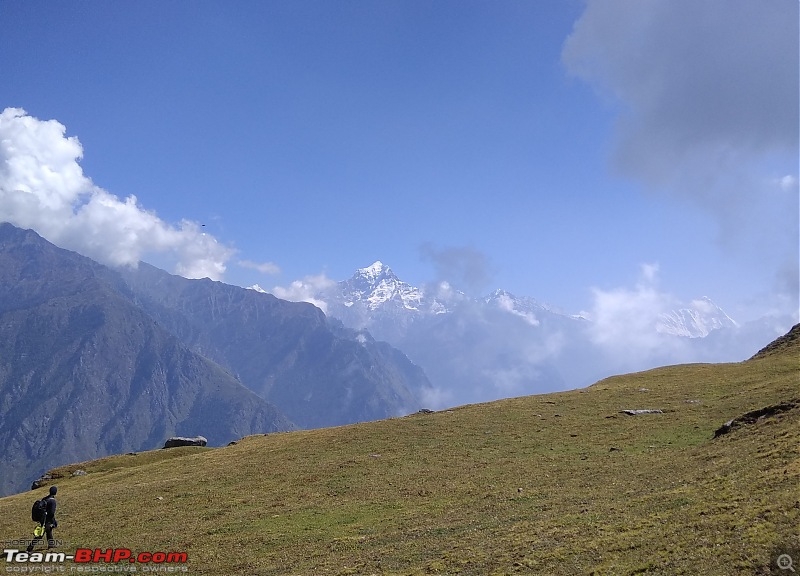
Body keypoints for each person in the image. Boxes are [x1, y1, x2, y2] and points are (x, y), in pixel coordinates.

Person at [27, 486, 58, 551]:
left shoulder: (45, 498)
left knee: (49, 531)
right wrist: (53, 521)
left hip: (42, 519)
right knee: (40, 535)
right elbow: (51, 512)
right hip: (47, 520)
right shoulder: (53, 501)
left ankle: (51, 545)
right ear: (55, 492)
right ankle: (29, 549)